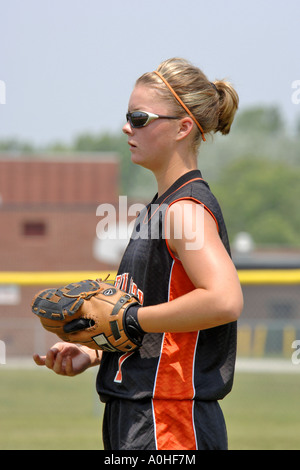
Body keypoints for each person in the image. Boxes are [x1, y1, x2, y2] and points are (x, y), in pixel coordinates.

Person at [33, 57, 243, 451]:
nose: (127, 126)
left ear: (183, 127)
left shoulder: (185, 210)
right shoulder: (160, 208)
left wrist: (130, 318)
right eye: (128, 116)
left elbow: (225, 299)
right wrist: (95, 350)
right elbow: (153, 327)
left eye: (140, 117)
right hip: (140, 414)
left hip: (170, 421)